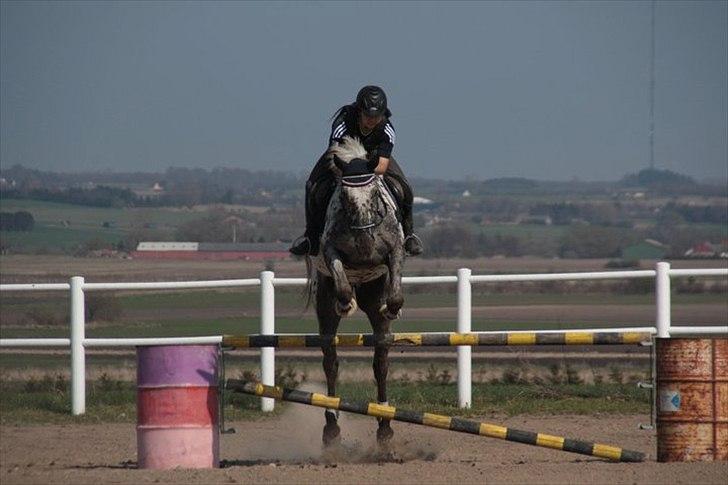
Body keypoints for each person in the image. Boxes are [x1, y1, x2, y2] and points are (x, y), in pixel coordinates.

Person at [289, 85, 423, 257]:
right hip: (345, 156)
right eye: (368, 116)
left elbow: (381, 166)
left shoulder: (387, 130)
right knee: (311, 186)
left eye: (377, 117)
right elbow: (334, 158)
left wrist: (363, 169)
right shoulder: (342, 123)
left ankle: (409, 236)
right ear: (359, 111)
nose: (372, 121)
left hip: (373, 158)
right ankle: (311, 237)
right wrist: (351, 170)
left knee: (404, 188)